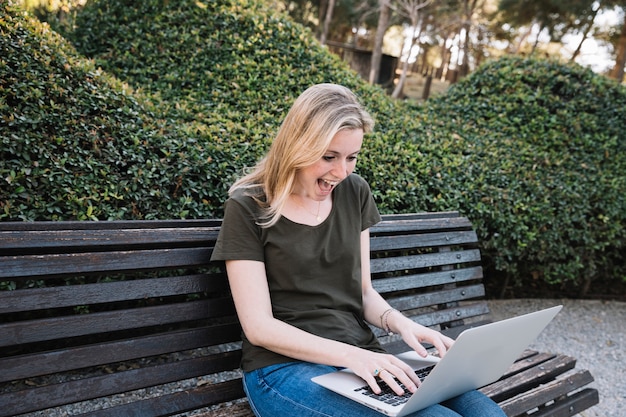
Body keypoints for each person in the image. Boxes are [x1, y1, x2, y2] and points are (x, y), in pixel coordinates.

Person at [211, 83, 506, 417]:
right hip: (284, 368)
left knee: (488, 415)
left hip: (360, 355)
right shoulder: (248, 206)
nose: (341, 172)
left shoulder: (354, 191)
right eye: (328, 157)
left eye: (351, 157)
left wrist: (402, 324)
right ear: (297, 146)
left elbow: (362, 291)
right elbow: (258, 327)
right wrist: (352, 357)